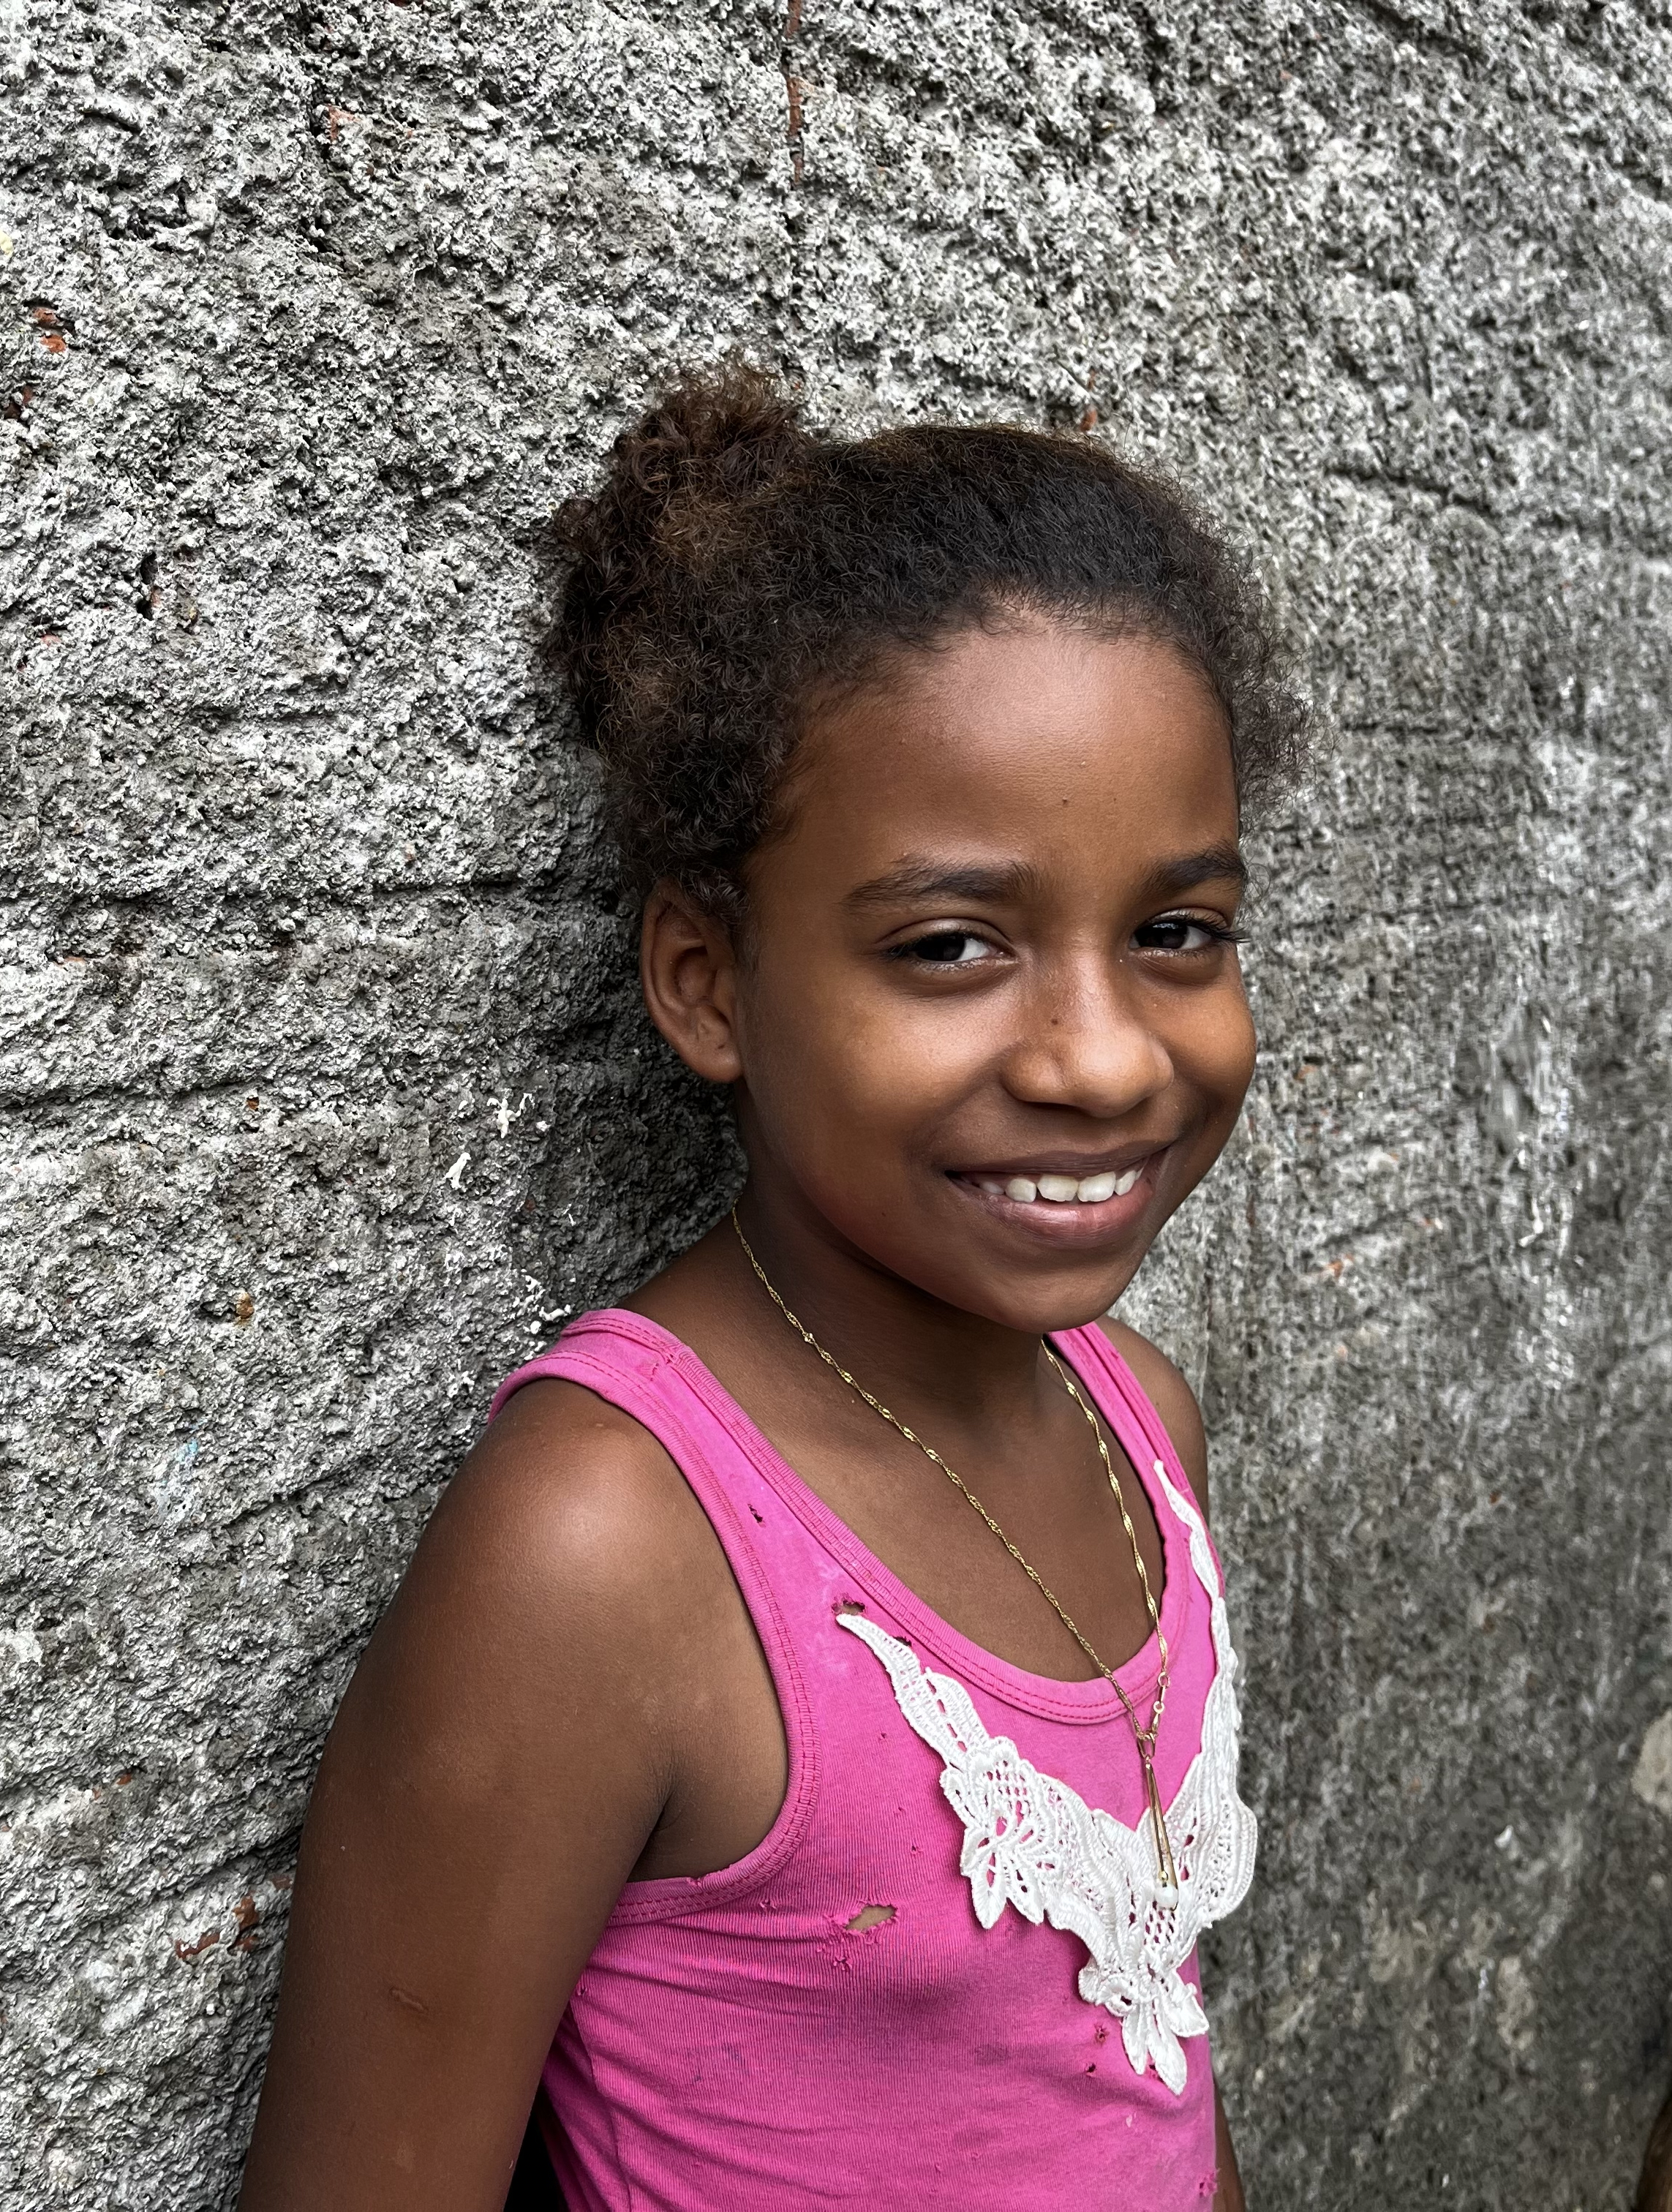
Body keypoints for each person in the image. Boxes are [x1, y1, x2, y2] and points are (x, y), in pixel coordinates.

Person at [238, 364, 1306, 2211]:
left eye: (1175, 933)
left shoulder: (1140, 1419)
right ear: (707, 982)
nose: (1104, 1059)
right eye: (951, 945)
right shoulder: (611, 1549)